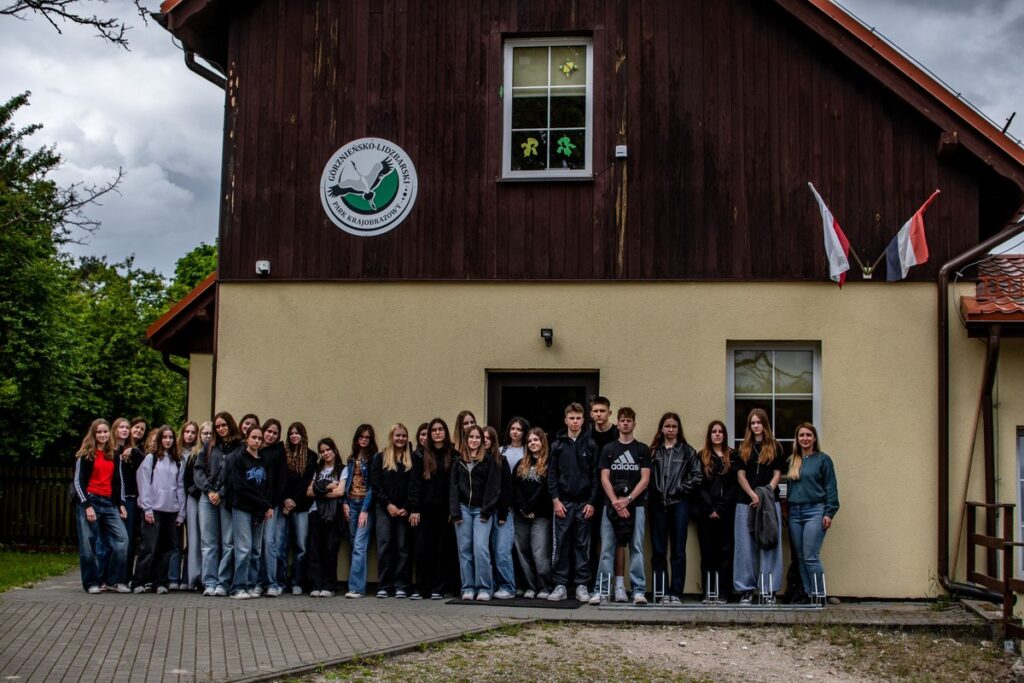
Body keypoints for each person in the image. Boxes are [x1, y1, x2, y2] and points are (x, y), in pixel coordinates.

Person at [596, 407, 651, 605]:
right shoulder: (609, 449)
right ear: (617, 423)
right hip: (610, 506)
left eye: (629, 420)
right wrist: (616, 503)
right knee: (607, 548)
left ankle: (637, 591)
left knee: (636, 547)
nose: (626, 423)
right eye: (622, 420)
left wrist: (627, 500)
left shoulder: (642, 449)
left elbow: (645, 479)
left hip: (636, 506)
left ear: (634, 424)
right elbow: (604, 478)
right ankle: (602, 590)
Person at [646, 412, 701, 604]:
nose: (670, 429)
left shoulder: (687, 451)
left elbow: (697, 476)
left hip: (679, 505)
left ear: (678, 429)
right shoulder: (653, 452)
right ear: (661, 429)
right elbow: (646, 478)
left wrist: (680, 489)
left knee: (678, 551)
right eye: (667, 426)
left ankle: (676, 593)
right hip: (657, 505)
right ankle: (660, 592)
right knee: (659, 550)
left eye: (673, 426)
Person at [547, 402, 599, 602]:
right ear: (566, 420)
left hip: (584, 503)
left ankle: (581, 585)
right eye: (572, 418)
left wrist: (592, 502)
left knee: (582, 545)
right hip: (563, 503)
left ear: (583, 420)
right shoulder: (557, 445)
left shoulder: (591, 444)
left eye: (578, 418)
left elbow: (595, 476)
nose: (575, 422)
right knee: (561, 544)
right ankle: (559, 585)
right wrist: (555, 500)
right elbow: (551, 475)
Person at [733, 408, 786, 604]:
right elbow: (740, 476)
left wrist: (764, 495)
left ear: (765, 424)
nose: (756, 426)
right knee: (745, 548)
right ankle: (746, 589)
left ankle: (768, 589)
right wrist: (752, 495)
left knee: (770, 544)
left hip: (769, 503)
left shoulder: (776, 447)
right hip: (745, 502)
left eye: (759, 422)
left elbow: (778, 474)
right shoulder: (742, 448)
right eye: (753, 423)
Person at [73, 419, 130, 593]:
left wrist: (121, 504)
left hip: (109, 503)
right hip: (90, 501)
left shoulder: (113, 455)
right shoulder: (86, 454)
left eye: (105, 432)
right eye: (99, 432)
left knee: (122, 540)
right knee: (88, 544)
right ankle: (91, 583)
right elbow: (78, 482)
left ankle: (114, 580)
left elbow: (119, 482)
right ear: (94, 434)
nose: (103, 435)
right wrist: (87, 505)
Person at [786, 423, 839, 602]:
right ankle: (810, 595)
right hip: (794, 513)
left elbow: (831, 489)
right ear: (797, 439)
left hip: (815, 511)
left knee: (810, 556)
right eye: (801, 435)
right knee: (800, 557)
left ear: (814, 438)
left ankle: (819, 594)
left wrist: (829, 513)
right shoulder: (793, 460)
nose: (805, 438)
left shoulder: (823, 460)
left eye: (808, 435)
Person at [132, 425, 186, 594]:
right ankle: (139, 581)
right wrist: (147, 508)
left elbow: (180, 487)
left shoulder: (178, 461)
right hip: (153, 509)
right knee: (149, 547)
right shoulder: (151, 459)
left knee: (167, 548)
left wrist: (181, 513)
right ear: (159, 439)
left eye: (170, 437)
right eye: (164, 437)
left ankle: (160, 581)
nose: (168, 440)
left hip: (171, 510)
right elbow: (144, 483)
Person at [194, 411, 242, 596]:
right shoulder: (209, 445)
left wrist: (221, 493)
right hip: (207, 497)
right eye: (218, 426)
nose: (221, 429)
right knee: (209, 542)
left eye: (224, 425)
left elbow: (237, 475)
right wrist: (209, 491)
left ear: (230, 425)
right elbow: (198, 470)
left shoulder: (239, 447)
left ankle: (223, 582)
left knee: (229, 542)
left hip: (227, 498)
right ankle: (210, 582)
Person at [450, 425, 501, 601]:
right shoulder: (458, 461)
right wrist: (455, 511)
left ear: (482, 440)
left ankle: (485, 587)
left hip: (481, 510)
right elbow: (453, 488)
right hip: (463, 509)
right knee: (464, 550)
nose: (474, 440)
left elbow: (493, 488)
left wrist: (487, 510)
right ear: (466, 439)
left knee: (480, 548)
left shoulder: (488, 460)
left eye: (477, 437)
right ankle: (468, 587)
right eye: (471, 437)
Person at [409, 418, 456, 600]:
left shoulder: (453, 454)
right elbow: (415, 484)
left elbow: (455, 485)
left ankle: (438, 588)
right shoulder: (420, 455)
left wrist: (454, 510)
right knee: (422, 548)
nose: (437, 432)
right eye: (434, 430)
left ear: (445, 431)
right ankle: (421, 588)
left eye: (440, 429)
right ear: (429, 434)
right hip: (425, 509)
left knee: (442, 549)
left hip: (445, 509)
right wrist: (414, 508)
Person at [227, 424, 274, 599]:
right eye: (253, 437)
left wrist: (266, 506)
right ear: (247, 438)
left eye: (259, 438)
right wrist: (263, 503)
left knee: (256, 550)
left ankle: (251, 585)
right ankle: (237, 587)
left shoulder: (264, 460)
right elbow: (240, 487)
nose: (257, 441)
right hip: (242, 508)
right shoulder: (239, 458)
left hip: (259, 510)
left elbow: (268, 486)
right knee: (244, 549)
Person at [695, 420, 738, 603]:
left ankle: (724, 593)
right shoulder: (702, 456)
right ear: (710, 434)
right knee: (707, 553)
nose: (717, 434)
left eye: (720, 431)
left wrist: (721, 508)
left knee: (726, 552)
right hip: (706, 511)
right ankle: (708, 592)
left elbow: (736, 484)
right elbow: (699, 485)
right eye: (714, 431)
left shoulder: (733, 455)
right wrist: (710, 508)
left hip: (726, 511)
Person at [371, 424, 414, 598]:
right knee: (385, 546)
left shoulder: (412, 459)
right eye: (398, 435)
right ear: (391, 436)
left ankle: (401, 585)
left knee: (403, 547)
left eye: (404, 435)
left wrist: (406, 507)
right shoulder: (380, 457)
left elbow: (414, 485)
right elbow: (376, 484)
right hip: (384, 508)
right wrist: (388, 504)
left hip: (404, 510)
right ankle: (384, 585)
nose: (401, 438)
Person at [513, 427, 553, 599]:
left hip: (541, 516)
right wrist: (523, 507)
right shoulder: (521, 464)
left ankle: (544, 586)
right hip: (521, 516)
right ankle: (529, 586)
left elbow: (545, 489)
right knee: (522, 551)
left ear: (542, 441)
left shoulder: (549, 463)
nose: (532, 443)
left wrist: (530, 507)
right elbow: (513, 488)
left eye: (536, 440)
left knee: (539, 553)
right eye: (529, 441)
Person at [307, 437, 347, 597]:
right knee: (314, 550)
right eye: (322, 451)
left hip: (333, 515)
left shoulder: (342, 469)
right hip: (315, 513)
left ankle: (329, 586)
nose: (325, 453)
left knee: (330, 549)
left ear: (334, 450)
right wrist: (327, 486)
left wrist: (319, 489)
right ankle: (316, 585)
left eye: (328, 450)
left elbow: (340, 492)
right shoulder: (317, 470)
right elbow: (308, 492)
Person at [280, 422, 317, 594]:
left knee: (301, 546)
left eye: (297, 433)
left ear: (303, 435)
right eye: (291, 433)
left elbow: (305, 482)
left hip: (301, 507)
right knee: (282, 545)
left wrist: (292, 500)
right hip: (283, 506)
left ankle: (297, 581)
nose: (294, 436)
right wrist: (285, 499)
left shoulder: (311, 456)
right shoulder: (282, 454)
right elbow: (280, 480)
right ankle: (280, 581)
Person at [342, 424, 377, 598]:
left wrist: (365, 509)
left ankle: (356, 588)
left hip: (365, 506)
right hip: (352, 504)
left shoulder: (373, 459)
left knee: (359, 546)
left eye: (367, 437)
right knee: (354, 543)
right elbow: (347, 483)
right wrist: (344, 502)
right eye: (361, 437)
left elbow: (373, 487)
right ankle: (356, 585)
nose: (363, 440)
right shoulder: (351, 459)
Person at [587, 397, 617, 590]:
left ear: (609, 413)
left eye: (602, 411)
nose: (599, 414)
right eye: (596, 411)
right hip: (591, 494)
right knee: (590, 539)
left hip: (612, 493)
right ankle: (590, 584)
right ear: (591, 414)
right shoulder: (587, 434)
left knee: (610, 540)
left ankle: (611, 584)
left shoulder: (616, 434)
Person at [256, 418, 288, 597]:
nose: (270, 435)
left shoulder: (278, 452)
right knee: (255, 545)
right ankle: (257, 581)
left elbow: (281, 481)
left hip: (271, 506)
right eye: (268, 431)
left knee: (269, 542)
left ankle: (271, 582)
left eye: (275, 433)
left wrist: (272, 504)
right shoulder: (255, 449)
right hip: (254, 505)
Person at [484, 426, 515, 599]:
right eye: (483, 438)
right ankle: (493, 584)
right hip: (486, 513)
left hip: (502, 512)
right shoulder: (478, 460)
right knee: (487, 550)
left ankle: (508, 586)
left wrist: (503, 513)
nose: (485, 441)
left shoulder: (501, 460)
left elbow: (506, 489)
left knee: (502, 550)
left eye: (488, 438)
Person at [176, 420, 202, 591]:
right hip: (175, 500)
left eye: (193, 432)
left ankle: (189, 577)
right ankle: (173, 577)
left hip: (192, 498)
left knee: (194, 539)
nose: (190, 435)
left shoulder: (197, 452)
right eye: (187, 431)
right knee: (176, 541)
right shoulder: (175, 453)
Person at [122, 417, 148, 581]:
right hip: (120, 498)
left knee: (130, 538)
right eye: (136, 427)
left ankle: (126, 575)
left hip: (133, 498)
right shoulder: (119, 447)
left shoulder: (139, 451)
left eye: (142, 429)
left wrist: (135, 452)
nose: (138, 431)